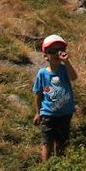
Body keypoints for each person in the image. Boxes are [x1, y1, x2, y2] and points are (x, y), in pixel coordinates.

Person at [33, 33, 78, 162]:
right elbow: (38, 93)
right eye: (52, 51)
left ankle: (59, 165)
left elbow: (74, 77)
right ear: (45, 56)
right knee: (47, 142)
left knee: (62, 142)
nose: (57, 54)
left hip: (65, 113)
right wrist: (38, 113)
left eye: (60, 50)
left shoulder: (64, 69)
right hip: (48, 113)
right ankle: (45, 167)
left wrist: (67, 62)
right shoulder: (42, 73)